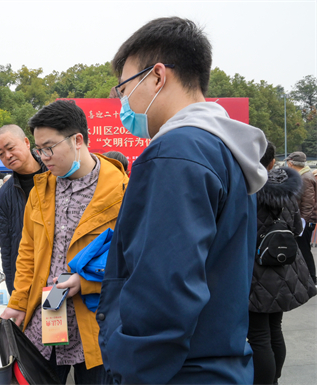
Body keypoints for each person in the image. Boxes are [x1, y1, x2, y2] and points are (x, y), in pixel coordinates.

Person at [97, 17, 268, 384]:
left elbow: (164, 290)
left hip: (177, 372)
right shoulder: (221, 148)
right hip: (217, 360)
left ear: (158, 76)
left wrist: (130, 369)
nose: (121, 102)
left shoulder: (176, 152)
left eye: (124, 87)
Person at [0, 101, 128, 384]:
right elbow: (27, 253)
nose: (43, 157)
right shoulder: (41, 190)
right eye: (39, 149)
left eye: (49, 147)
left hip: (95, 324)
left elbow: (134, 258)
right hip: (45, 321)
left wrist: (87, 283)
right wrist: (19, 302)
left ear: (77, 140)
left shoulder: (121, 191)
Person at [248, 142, 316, 385]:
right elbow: (297, 228)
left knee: (258, 336)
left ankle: (265, 381)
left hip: (255, 270)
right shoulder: (287, 189)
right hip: (284, 265)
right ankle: (274, 378)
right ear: (272, 162)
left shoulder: (247, 189)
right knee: (274, 329)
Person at [0, 124, 47, 294]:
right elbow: (7, 249)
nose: (8, 156)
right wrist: (14, 291)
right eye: (1, 154)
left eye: (10, 148)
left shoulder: (57, 176)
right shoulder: (2, 197)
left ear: (26, 142)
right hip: (28, 277)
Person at [285, 151, 317, 284]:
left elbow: (308, 203)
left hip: (305, 220)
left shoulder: (304, 178)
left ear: (291, 163)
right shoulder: (306, 175)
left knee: (303, 249)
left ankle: (311, 277)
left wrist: (303, 221)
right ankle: (309, 277)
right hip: (305, 219)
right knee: (303, 249)